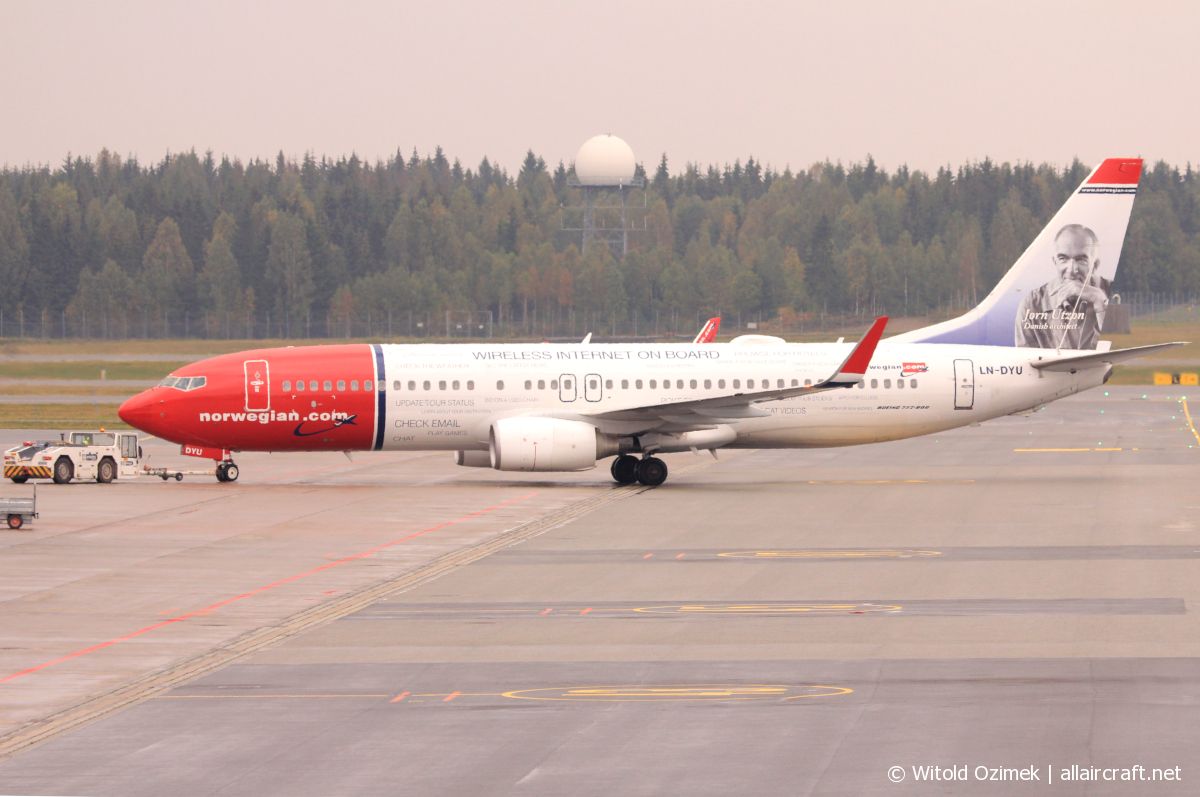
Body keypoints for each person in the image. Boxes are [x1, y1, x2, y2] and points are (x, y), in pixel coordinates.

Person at [1015, 223, 1112, 349]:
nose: (1071, 269)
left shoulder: (1115, 293)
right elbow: (1026, 360)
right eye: (1063, 259)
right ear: (1054, 262)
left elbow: (1124, 352)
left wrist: (1100, 303)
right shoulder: (1032, 304)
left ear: (1095, 265)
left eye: (1081, 260)